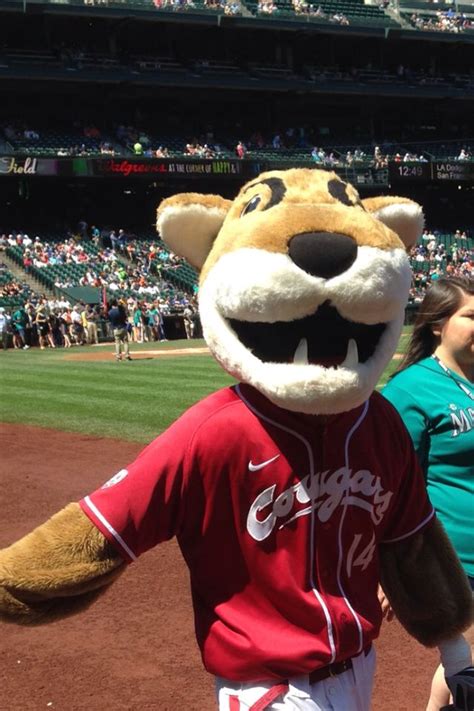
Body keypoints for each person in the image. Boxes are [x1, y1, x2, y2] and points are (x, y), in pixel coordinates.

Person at [382, 276, 474, 711]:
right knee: (469, 661)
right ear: (438, 324)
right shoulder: (410, 390)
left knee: (466, 662)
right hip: (456, 554)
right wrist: (390, 568)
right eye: (471, 316)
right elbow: (391, 482)